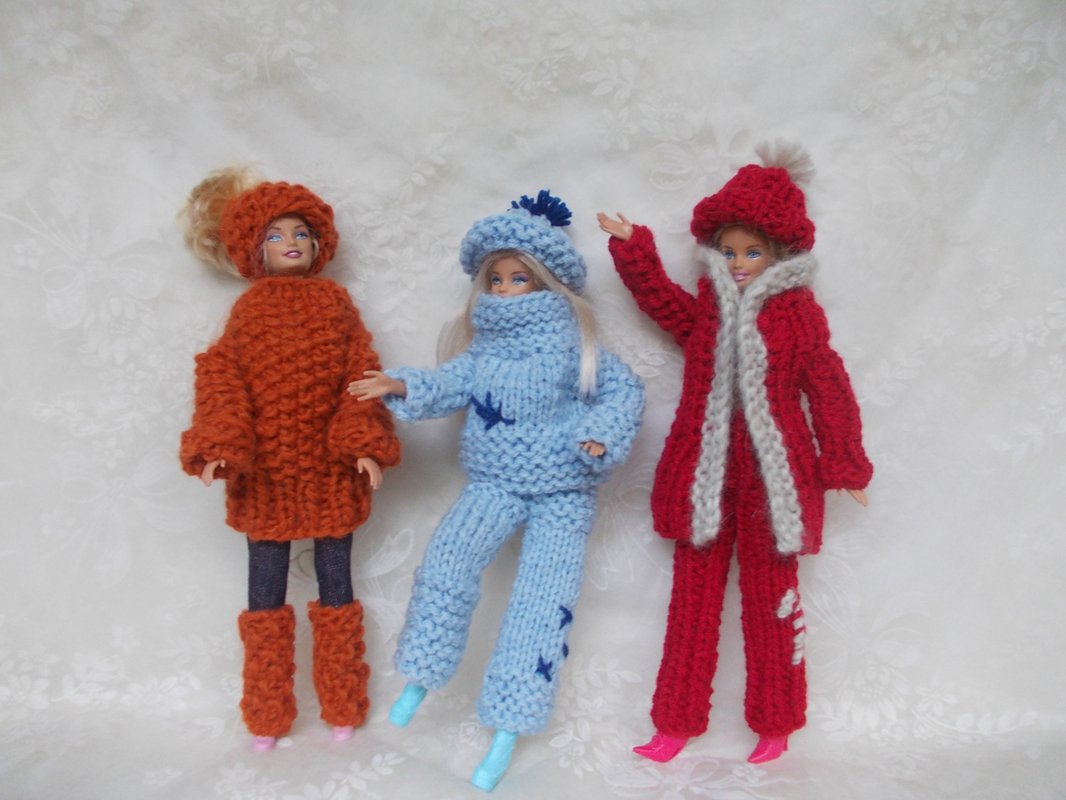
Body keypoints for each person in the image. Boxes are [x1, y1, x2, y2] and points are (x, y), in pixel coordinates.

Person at [349, 191, 644, 791]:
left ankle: (509, 724)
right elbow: (446, 384)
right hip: (494, 483)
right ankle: (421, 673)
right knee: (448, 559)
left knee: (542, 601)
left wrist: (598, 436)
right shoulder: (481, 351)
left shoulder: (574, 348)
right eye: (496, 279)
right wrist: (401, 386)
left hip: (564, 489)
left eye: (519, 278)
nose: (506, 290)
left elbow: (625, 392)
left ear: (548, 283)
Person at [597, 142, 872, 765]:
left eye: (753, 251)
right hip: (704, 480)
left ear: (780, 254)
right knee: (690, 606)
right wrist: (634, 249)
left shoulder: (799, 319)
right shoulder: (708, 315)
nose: (740, 262)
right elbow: (661, 301)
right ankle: (675, 723)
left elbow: (827, 384)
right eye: (729, 250)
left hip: (776, 488)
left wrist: (844, 463)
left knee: (773, 601)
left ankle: (776, 723)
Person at [178, 166, 401, 751]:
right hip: (265, 473)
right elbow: (223, 376)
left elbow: (360, 372)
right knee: (265, 590)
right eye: (276, 236)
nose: (292, 243)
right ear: (254, 249)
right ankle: (268, 711)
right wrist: (219, 445)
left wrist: (362, 442)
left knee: (336, 583)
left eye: (301, 233)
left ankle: (343, 703)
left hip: (329, 468)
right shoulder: (249, 312)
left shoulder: (335, 303)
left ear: (319, 242)